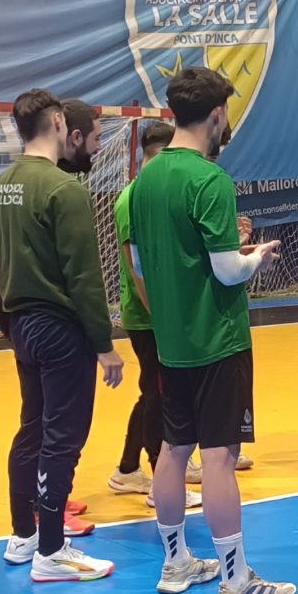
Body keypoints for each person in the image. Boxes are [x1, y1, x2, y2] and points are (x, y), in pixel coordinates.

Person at [129, 66, 295, 594]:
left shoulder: (144, 182)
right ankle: (236, 582)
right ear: (219, 113)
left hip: (171, 343)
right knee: (220, 456)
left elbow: (145, 264)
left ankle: (175, 562)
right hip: (218, 341)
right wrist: (256, 258)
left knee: (173, 450)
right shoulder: (209, 180)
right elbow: (226, 271)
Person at [0, 88, 122, 582]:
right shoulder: (64, 190)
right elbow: (84, 276)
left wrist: (14, 327)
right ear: (59, 122)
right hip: (59, 328)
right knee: (62, 438)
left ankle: (23, 535)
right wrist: (104, 345)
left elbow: (1, 271)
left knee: (32, 428)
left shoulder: (2, 185)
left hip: (22, 325)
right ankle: (51, 550)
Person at [106, 117, 201, 511]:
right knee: (159, 395)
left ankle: (128, 469)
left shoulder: (150, 191)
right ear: (158, 156)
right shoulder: (134, 198)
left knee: (152, 391)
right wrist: (160, 316)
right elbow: (136, 266)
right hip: (148, 317)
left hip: (158, 313)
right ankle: (160, 480)